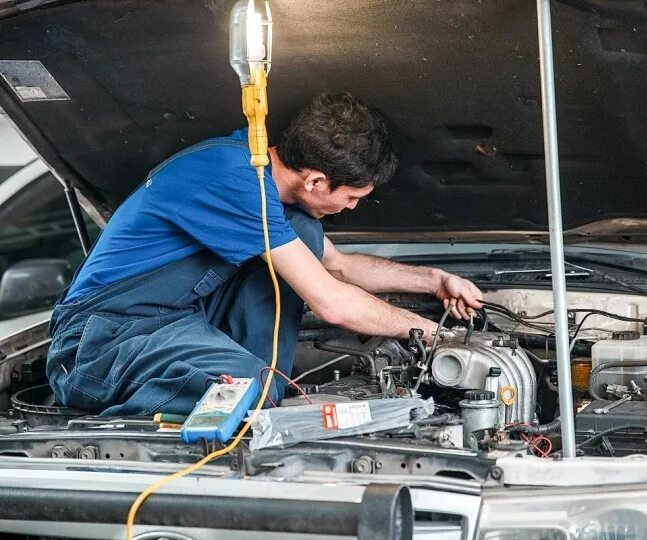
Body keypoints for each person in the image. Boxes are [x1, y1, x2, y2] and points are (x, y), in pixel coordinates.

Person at [46, 93, 483, 416]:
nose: (352, 208)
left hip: (166, 320)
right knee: (248, 388)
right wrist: (436, 336)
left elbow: (339, 266)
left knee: (303, 232)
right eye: (351, 197)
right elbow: (332, 303)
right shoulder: (230, 180)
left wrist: (434, 279)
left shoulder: (260, 177)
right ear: (314, 181)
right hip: (98, 343)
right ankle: (132, 434)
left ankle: (261, 393)